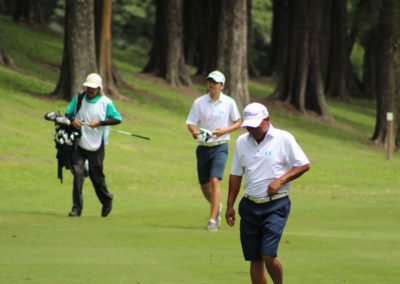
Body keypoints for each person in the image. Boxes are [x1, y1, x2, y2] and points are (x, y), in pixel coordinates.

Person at [225, 102, 310, 283]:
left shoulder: (283, 138)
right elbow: (235, 174)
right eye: (249, 127)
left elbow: (303, 164)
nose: (252, 130)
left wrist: (280, 180)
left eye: (256, 126)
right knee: (255, 258)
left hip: (276, 204)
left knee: (268, 254)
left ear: (267, 120)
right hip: (249, 205)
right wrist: (230, 205)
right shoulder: (241, 142)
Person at [186, 70, 241, 231]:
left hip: (220, 146)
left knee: (215, 180)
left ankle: (212, 220)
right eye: (210, 81)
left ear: (221, 86)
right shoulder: (199, 102)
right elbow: (191, 122)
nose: (211, 85)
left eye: (215, 83)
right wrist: (193, 131)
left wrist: (224, 131)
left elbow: (238, 122)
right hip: (203, 147)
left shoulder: (229, 102)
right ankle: (216, 207)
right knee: (204, 186)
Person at [65, 73, 122, 217]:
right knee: (78, 174)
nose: (89, 90)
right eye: (88, 87)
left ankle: (106, 200)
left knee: (97, 177)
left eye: (93, 88)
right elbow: (68, 114)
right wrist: (72, 121)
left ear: (99, 88)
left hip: (96, 144)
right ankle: (76, 208)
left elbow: (117, 119)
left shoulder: (105, 102)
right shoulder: (79, 98)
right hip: (79, 142)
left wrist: (100, 123)